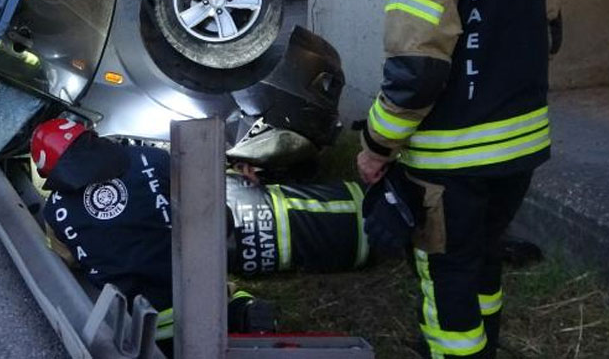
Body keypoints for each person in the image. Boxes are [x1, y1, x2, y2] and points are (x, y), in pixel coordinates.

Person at [356, 0, 562, 359]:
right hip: (522, 151)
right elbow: (549, 30)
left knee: (447, 274)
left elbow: (415, 77)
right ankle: (486, 346)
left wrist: (375, 148)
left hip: (451, 167)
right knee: (484, 255)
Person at [30, 118, 371, 341]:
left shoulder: (55, 215)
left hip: (140, 323)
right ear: (91, 139)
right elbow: (210, 203)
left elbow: (72, 263)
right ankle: (239, 310)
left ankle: (234, 311)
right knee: (224, 283)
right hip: (199, 290)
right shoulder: (148, 158)